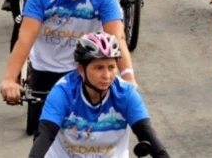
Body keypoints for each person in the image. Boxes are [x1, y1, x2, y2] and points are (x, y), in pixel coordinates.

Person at [0, 0, 134, 133]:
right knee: (44, 138)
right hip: (46, 71)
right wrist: (10, 80)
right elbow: (26, 38)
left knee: (90, 135)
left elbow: (117, 38)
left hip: (85, 73)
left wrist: (128, 78)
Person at [29, 33, 170, 157]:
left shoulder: (126, 93)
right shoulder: (63, 91)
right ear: (81, 70)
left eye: (111, 67)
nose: (107, 75)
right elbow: (46, 134)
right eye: (99, 68)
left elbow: (146, 133)